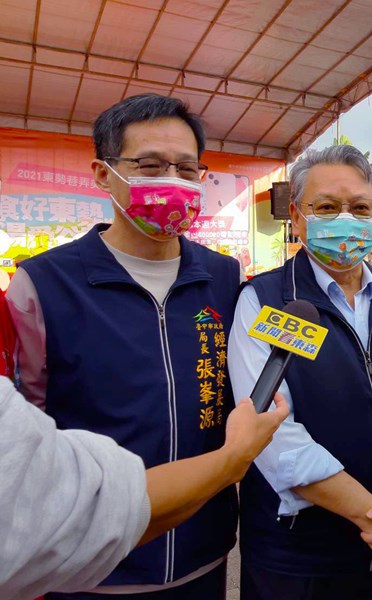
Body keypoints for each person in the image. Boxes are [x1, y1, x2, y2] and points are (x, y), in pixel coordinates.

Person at [6, 94, 243, 599]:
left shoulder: (223, 277)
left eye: (186, 169)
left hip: (205, 554)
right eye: (151, 166)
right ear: (101, 173)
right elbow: (26, 433)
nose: (172, 182)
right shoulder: (44, 284)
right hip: (92, 568)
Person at [228, 145, 372, 600]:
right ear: (297, 217)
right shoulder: (266, 299)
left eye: (359, 208)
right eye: (327, 207)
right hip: (299, 557)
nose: (345, 220)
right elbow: (270, 431)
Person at [0, 376, 288, 600]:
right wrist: (231, 459)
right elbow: (94, 507)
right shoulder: (40, 300)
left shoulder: (220, 297)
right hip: (89, 581)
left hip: (203, 562)